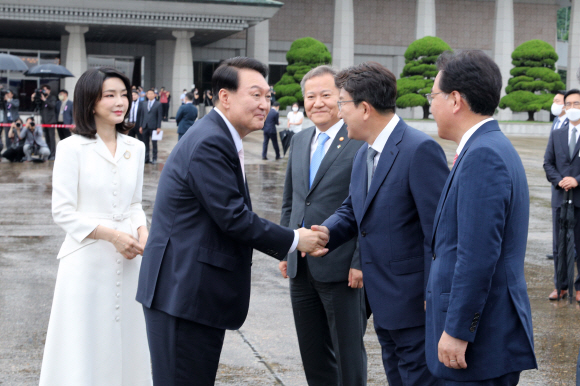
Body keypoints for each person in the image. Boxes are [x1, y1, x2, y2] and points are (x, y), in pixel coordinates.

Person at [136, 57, 329, 386]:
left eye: (268, 97)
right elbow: (234, 218)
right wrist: (296, 240)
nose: (265, 105)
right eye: (255, 95)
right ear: (224, 97)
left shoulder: (220, 136)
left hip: (189, 290)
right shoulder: (211, 141)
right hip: (182, 292)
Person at [311, 61, 449, 386]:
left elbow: (440, 233)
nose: (337, 111)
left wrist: (435, 297)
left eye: (341, 103)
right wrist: (324, 233)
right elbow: (352, 210)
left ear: (365, 108)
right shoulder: (364, 153)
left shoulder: (419, 150)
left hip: (416, 306)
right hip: (383, 302)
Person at [426, 50, 537, 385]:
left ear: (456, 100)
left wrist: (458, 329)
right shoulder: (487, 147)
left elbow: (476, 255)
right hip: (484, 333)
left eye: (433, 96)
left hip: (479, 342)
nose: (430, 105)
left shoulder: (484, 155)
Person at [39, 66, 152, 385]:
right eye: (110, 95)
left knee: (128, 336)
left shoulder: (136, 147)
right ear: (90, 102)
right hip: (86, 259)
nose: (120, 102)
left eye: (124, 94)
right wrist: (112, 235)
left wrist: (143, 232)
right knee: (83, 340)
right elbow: (62, 211)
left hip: (130, 259)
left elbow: (134, 205)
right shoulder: (71, 148)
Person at [279, 65, 367, 386]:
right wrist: (283, 247)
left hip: (342, 267)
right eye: (310, 96)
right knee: (312, 353)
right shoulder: (301, 140)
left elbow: (366, 208)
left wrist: (360, 262)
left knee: (348, 355)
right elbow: (292, 201)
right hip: (300, 266)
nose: (318, 102)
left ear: (342, 98)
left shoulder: (358, 140)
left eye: (326, 95)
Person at [544, 88, 580, 304]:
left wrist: (577, 179)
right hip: (560, 196)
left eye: (577, 104)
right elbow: (547, 162)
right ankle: (561, 286)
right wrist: (559, 180)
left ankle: (579, 287)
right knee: (559, 245)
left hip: (579, 196)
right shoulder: (557, 133)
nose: (572, 108)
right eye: (569, 104)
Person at [32, 84, 58, 160]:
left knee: (52, 138)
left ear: (49, 90)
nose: (45, 91)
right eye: (43, 89)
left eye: (46, 89)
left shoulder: (52, 97)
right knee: (46, 138)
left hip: (51, 121)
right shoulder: (41, 98)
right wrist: (34, 98)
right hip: (44, 121)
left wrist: (45, 100)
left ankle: (53, 154)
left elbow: (52, 106)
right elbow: (36, 107)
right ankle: (48, 153)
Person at [139, 89, 163, 164]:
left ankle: (154, 158)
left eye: (151, 94)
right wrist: (141, 126)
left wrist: (158, 127)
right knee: (145, 143)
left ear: (154, 95)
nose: (150, 95)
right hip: (145, 126)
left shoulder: (158, 104)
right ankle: (146, 158)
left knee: (154, 144)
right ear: (146, 95)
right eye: (148, 94)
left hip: (154, 127)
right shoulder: (144, 104)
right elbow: (142, 116)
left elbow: (159, 117)